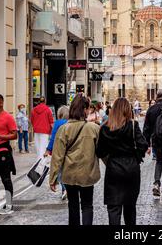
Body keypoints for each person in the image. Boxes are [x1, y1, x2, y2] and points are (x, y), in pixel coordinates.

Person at [49, 94, 101, 225]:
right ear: (84, 110)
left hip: (69, 174)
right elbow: (102, 152)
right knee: (87, 205)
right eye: (88, 108)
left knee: (73, 205)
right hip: (88, 174)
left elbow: (57, 156)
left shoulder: (63, 129)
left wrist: (53, 177)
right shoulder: (94, 128)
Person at [96, 98, 148, 225]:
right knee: (130, 206)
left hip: (113, 168)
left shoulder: (105, 129)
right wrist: (136, 156)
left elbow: (100, 152)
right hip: (131, 168)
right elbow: (143, 145)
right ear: (127, 110)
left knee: (114, 207)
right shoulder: (133, 125)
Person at [44, 105, 69, 200]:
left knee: (60, 170)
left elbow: (53, 138)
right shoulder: (71, 123)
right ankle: (69, 188)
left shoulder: (58, 123)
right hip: (70, 150)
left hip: (59, 150)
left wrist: (48, 149)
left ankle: (64, 188)